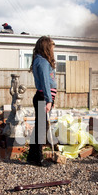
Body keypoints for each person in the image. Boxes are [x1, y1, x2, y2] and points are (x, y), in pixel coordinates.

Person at [27, 36, 57, 166]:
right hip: (43, 98)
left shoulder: (40, 60)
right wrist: (48, 100)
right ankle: (38, 159)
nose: (52, 50)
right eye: (51, 47)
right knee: (41, 129)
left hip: (43, 97)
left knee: (39, 127)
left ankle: (32, 157)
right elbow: (45, 82)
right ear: (46, 47)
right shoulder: (42, 61)